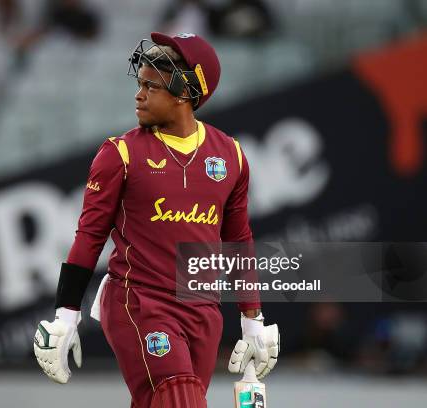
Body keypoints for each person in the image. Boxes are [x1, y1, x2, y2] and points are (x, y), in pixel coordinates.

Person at [33, 32, 280, 407]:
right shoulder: (120, 154)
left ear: (185, 92)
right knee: (180, 398)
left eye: (152, 86)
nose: (139, 94)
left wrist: (252, 319)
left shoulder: (231, 156)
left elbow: (239, 240)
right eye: (140, 83)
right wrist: (66, 315)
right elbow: (89, 235)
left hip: (202, 311)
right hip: (139, 302)